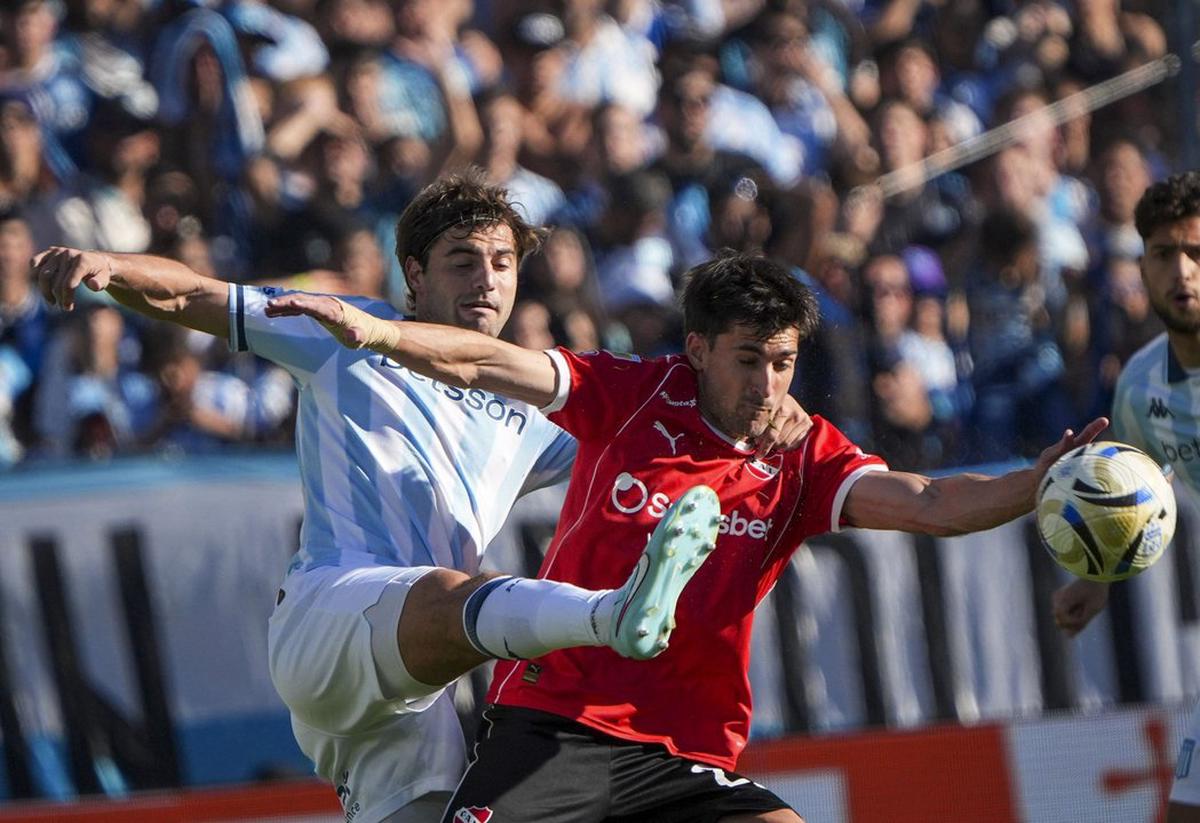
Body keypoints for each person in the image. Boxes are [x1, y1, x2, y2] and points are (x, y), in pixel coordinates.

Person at [32, 171, 813, 823]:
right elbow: (196, 296)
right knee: (450, 592)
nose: (486, 281)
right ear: (413, 273)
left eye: (501, 262)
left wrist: (775, 410)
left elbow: (673, 425)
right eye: (462, 261)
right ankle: (613, 613)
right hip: (330, 615)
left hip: (422, 682)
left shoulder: (535, 408)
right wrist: (111, 268)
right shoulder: (347, 330)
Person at [266, 251, 1105, 822]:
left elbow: (927, 503)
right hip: (558, 721)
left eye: (782, 361)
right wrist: (380, 331)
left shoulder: (805, 455)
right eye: (749, 359)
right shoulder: (630, 392)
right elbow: (490, 364)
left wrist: (1032, 483)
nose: (768, 382)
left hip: (686, 750)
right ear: (698, 349)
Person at [1052, 170, 1200, 823]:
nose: (1183, 271)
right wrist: (1099, 575)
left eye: (1197, 252)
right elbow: (1142, 495)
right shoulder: (1141, 385)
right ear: (1141, 264)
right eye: (1165, 254)